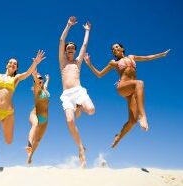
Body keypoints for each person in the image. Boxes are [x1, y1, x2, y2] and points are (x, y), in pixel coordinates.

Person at [84, 43, 170, 148]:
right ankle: (143, 116)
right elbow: (99, 74)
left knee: (133, 120)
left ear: (122, 49)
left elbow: (147, 58)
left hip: (132, 90)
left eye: (116, 47)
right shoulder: (113, 63)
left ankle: (118, 138)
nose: (114, 49)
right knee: (140, 83)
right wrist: (89, 64)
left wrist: (161, 55)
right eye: (112, 49)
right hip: (122, 87)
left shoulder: (132, 57)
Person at [59, 16, 95, 168]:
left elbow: (84, 45)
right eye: (69, 47)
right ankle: (80, 147)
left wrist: (87, 31)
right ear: (66, 50)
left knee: (91, 110)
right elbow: (61, 41)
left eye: (73, 47)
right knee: (69, 121)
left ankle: (79, 107)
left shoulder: (77, 62)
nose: (71, 49)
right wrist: (68, 25)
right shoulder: (63, 61)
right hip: (67, 95)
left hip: (79, 91)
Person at [25, 70, 50, 164]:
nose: (39, 79)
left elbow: (46, 85)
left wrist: (47, 79)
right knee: (35, 125)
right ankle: (29, 145)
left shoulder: (45, 89)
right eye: (37, 78)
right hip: (35, 114)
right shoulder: (36, 89)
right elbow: (36, 81)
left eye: (41, 78)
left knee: (38, 140)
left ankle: (30, 156)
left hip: (45, 119)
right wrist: (35, 76)